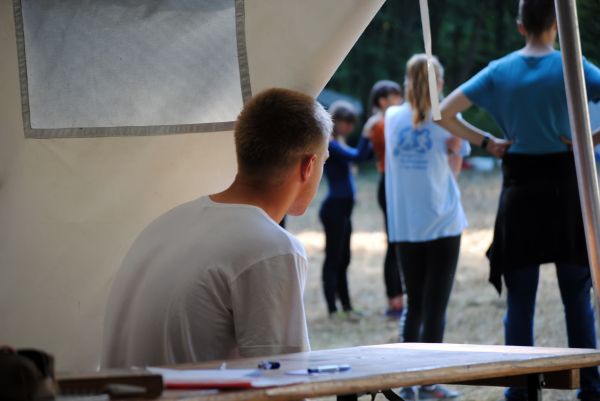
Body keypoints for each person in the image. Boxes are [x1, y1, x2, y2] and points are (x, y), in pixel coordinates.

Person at [438, 1, 600, 400]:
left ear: (520, 26)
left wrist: (487, 142)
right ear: (558, 28)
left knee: (521, 300)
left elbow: (444, 113)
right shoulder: (572, 64)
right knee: (576, 297)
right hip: (567, 187)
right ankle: (592, 389)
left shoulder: (499, 70)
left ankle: (521, 392)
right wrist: (589, 139)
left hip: (521, 191)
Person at [101, 88, 333, 368]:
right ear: (308, 166)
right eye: (324, 160)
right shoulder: (270, 248)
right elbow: (285, 382)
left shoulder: (166, 224)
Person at [385, 54, 470, 400]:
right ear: (439, 84)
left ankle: (409, 379)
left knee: (415, 304)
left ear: (407, 81)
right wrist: (453, 150)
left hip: (406, 224)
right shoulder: (448, 119)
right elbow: (453, 171)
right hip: (443, 222)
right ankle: (429, 383)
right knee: (435, 307)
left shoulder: (391, 117)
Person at [320, 100, 371, 321]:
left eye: (353, 124)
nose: (350, 128)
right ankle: (332, 309)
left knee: (345, 258)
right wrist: (368, 134)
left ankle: (347, 306)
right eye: (347, 123)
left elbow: (363, 155)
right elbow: (358, 155)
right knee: (333, 258)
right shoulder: (329, 144)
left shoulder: (339, 143)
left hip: (344, 209)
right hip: (334, 209)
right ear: (336, 121)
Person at [363, 80, 405, 319]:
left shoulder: (385, 122)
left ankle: (399, 298)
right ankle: (395, 300)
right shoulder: (381, 124)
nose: (399, 101)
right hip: (389, 184)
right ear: (382, 100)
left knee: (398, 242)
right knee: (394, 243)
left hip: (393, 184)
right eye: (395, 96)